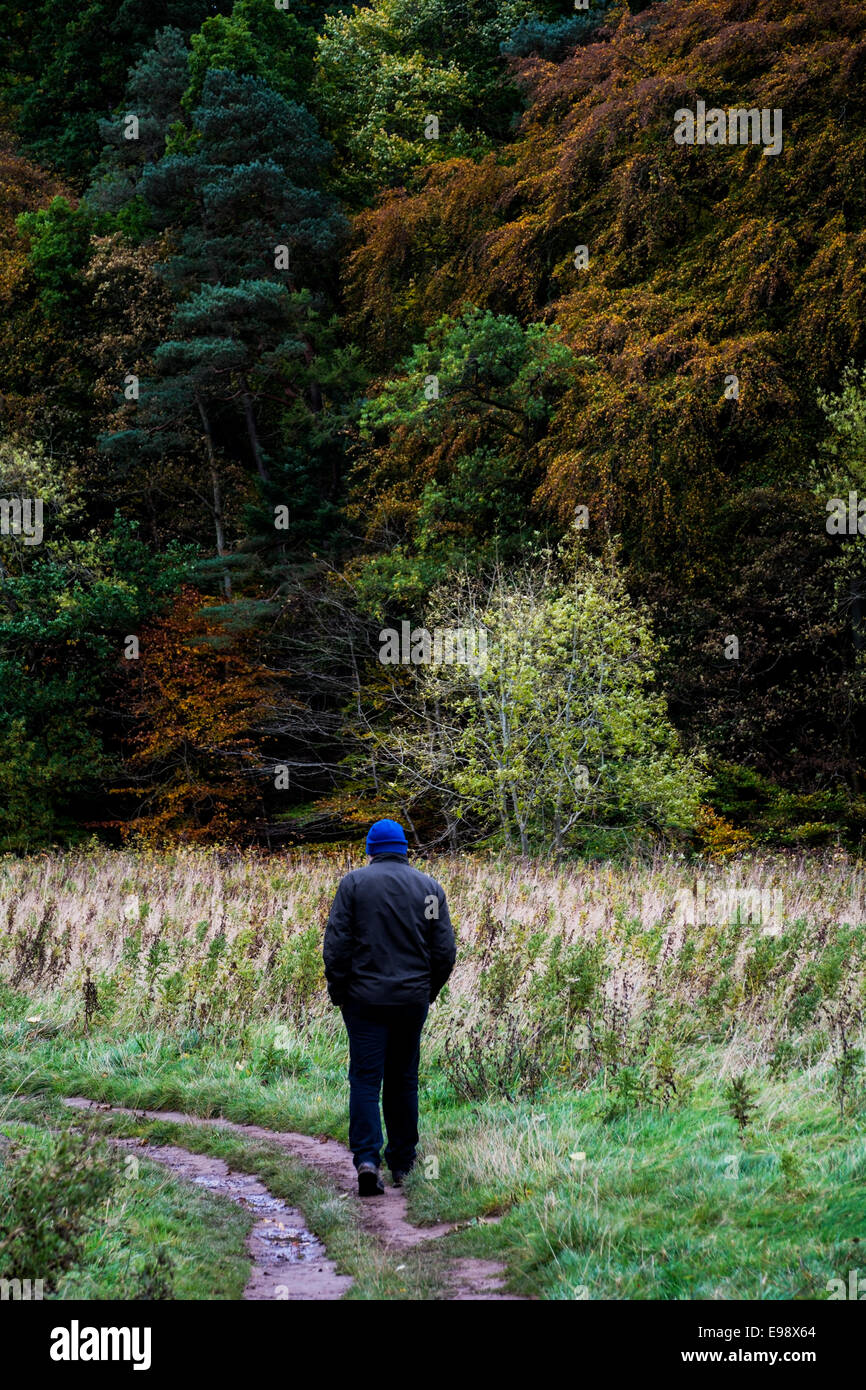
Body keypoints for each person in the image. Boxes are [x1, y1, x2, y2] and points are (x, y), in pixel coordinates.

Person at [323, 818, 456, 1196]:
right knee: (403, 1081)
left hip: (364, 1001)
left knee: (365, 1080)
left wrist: (340, 991)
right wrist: (427, 991)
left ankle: (367, 1159)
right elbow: (444, 951)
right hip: (410, 1001)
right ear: (404, 849)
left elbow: (336, 945)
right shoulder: (429, 890)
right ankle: (403, 1162)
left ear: (370, 849)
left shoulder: (354, 886)